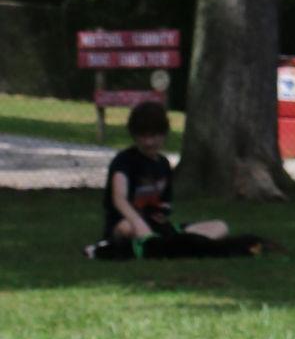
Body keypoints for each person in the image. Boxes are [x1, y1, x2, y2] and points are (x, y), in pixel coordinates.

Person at [86, 100, 269, 260]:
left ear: (164, 134)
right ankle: (173, 247)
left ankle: (173, 246)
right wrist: (141, 225)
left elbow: (164, 205)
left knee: (220, 227)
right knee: (128, 229)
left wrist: (161, 215)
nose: (149, 142)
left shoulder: (163, 164)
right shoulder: (124, 161)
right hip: (127, 223)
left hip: (159, 227)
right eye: (143, 136)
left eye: (154, 136)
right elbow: (119, 200)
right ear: (135, 136)